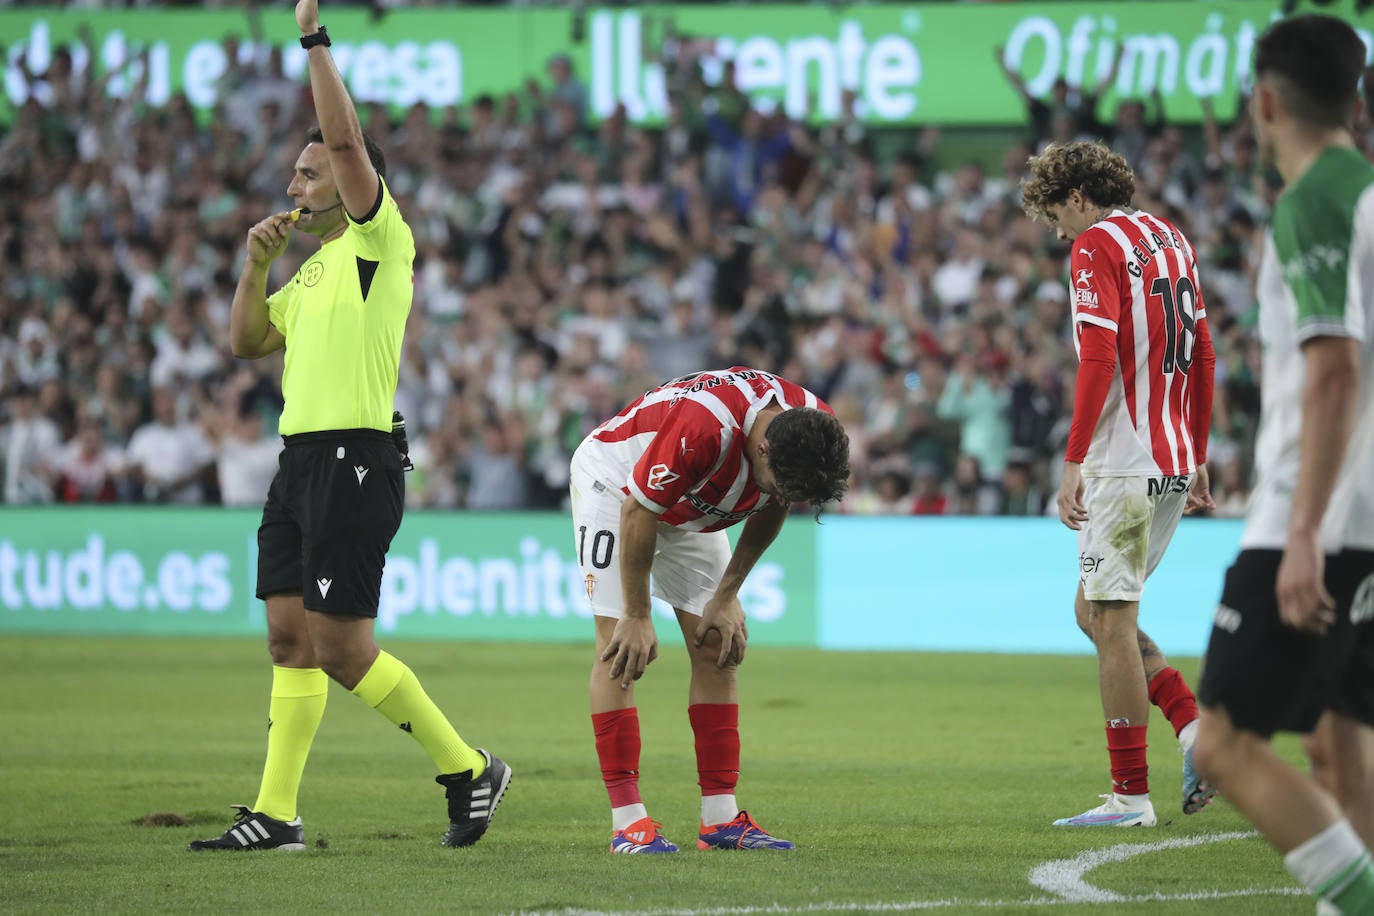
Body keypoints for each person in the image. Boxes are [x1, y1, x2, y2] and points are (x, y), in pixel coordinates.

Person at [188, 0, 509, 852]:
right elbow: (247, 341)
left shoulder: (376, 242)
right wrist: (255, 267)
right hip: (300, 461)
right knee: (289, 639)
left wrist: (314, 44)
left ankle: (468, 767)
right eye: (295, 176)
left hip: (355, 458)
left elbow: (349, 144)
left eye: (309, 173)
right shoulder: (313, 269)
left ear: (346, 183)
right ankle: (277, 814)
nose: (296, 185)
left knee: (342, 648)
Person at [1192, 15, 1374, 914]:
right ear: (1359, 97)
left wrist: (1304, 532)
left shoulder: (1314, 203)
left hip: (1318, 522)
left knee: (1221, 744)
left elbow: (1334, 368)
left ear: (1264, 102)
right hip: (1368, 521)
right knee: (1341, 747)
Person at [1020, 140, 1218, 827]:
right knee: (1097, 612)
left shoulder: (1095, 245)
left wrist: (1074, 459)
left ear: (1077, 197)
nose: (1057, 233)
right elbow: (1204, 349)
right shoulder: (1170, 237)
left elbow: (1099, 353)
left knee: (1110, 618)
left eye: (1055, 216)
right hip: (1169, 455)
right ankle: (1196, 733)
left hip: (1124, 459)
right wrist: (1198, 446)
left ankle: (1131, 797)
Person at [570, 367, 849, 853]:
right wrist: (637, 613)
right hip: (616, 487)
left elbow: (774, 501)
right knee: (619, 649)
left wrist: (727, 595)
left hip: (687, 501)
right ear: (762, 448)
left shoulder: (811, 432)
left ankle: (720, 820)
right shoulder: (707, 426)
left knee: (720, 643)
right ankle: (628, 823)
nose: (782, 498)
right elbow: (639, 510)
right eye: (780, 486)